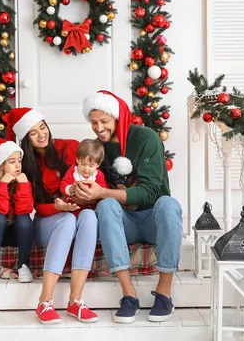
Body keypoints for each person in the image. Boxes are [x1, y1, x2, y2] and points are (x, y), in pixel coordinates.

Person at [73, 90, 183, 323]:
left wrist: (102, 192)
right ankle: (129, 294)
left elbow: (151, 191)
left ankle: (164, 293)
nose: (98, 128)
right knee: (106, 206)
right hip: (127, 222)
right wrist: (81, 194)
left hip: (154, 219)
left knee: (168, 204)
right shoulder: (98, 147)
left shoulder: (146, 138)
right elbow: (97, 185)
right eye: (93, 123)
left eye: (104, 121)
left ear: (118, 117)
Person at [6, 107, 99, 325]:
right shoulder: (25, 165)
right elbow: (36, 207)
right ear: (26, 139)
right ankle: (44, 301)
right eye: (33, 132)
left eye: (43, 127)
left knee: (89, 218)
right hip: (47, 221)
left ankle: (75, 301)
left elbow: (92, 177)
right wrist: (58, 208)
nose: (41, 134)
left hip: (78, 214)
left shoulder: (69, 148)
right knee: (67, 220)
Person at [0, 138, 34, 285]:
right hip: (0, 234)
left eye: (19, 161)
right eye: (11, 162)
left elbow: (25, 209)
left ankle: (23, 265)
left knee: (24, 218)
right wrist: (3, 184)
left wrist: (23, 185)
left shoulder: (24, 181)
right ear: (1, 165)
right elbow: (0, 210)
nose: (17, 165)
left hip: (19, 235)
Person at [58, 139, 108, 214]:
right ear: (77, 159)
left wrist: (93, 197)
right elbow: (63, 186)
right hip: (72, 209)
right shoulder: (73, 171)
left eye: (91, 166)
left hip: (90, 209)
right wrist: (70, 189)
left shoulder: (98, 175)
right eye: (83, 164)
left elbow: (102, 192)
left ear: (98, 164)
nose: (86, 169)